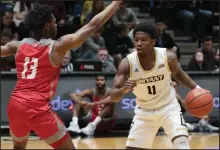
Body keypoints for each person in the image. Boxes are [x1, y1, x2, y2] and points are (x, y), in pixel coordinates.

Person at [1, 1, 122, 149]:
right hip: (36, 107)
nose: (57, 25)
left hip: (15, 105)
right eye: (54, 22)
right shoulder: (56, 47)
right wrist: (115, 3)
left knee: (18, 148)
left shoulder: (18, 45)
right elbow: (92, 26)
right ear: (47, 26)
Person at [110, 23, 207, 149]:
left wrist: (197, 89)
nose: (139, 43)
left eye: (143, 40)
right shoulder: (127, 63)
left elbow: (179, 74)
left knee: (182, 146)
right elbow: (113, 96)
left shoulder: (168, 58)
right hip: (144, 111)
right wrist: (124, 90)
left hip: (168, 108)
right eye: (137, 40)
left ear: (153, 42)